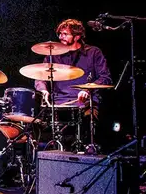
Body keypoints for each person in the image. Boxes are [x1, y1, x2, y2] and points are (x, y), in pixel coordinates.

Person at [34, 19, 113, 149]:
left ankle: (89, 150)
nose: (60, 37)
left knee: (90, 122)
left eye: (65, 34)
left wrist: (88, 90)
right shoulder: (52, 56)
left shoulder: (93, 53)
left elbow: (105, 77)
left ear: (77, 36)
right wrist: (43, 90)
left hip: (86, 102)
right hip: (59, 101)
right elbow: (40, 76)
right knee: (38, 122)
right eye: (59, 34)